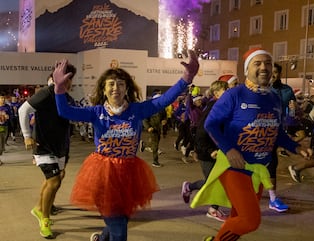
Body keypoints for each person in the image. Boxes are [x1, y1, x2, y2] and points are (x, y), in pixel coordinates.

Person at [52, 50, 199, 241]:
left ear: (126, 89)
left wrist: (186, 79)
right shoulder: (96, 112)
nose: (116, 88)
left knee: (121, 218)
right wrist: (59, 90)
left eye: (121, 84)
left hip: (130, 174)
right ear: (103, 89)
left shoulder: (137, 110)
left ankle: (102, 238)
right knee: (119, 228)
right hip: (103, 174)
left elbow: (164, 101)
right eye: (111, 84)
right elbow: (65, 112)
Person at [191, 48, 312, 241]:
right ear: (247, 70)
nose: (264, 67)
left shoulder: (274, 98)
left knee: (237, 218)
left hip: (257, 171)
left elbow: (276, 131)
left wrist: (296, 147)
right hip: (234, 167)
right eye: (258, 63)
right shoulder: (234, 95)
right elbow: (210, 124)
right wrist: (229, 150)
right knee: (250, 221)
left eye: (268, 63)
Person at [18, 67, 76, 239]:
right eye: (64, 78)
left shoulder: (67, 97)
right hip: (44, 146)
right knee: (53, 180)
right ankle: (45, 219)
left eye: (69, 78)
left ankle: (39, 207)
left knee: (56, 180)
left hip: (61, 146)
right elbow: (23, 110)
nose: (67, 81)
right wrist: (27, 136)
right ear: (54, 78)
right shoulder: (46, 93)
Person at [181, 80, 229, 222]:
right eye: (225, 90)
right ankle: (212, 209)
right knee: (214, 183)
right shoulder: (214, 107)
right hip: (207, 152)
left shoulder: (221, 106)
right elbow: (202, 132)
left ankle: (190, 187)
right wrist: (209, 151)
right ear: (216, 93)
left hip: (216, 151)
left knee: (218, 181)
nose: (229, 92)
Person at [266, 62, 296, 212]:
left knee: (272, 163)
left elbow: (292, 110)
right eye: (271, 72)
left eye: (275, 72)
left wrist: (292, 115)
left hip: (276, 129)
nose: (273, 75)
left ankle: (272, 198)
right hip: (255, 132)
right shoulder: (257, 89)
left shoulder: (287, 90)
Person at [141, 91, 167, 167]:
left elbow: (164, 116)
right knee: (155, 145)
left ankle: (145, 144)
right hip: (152, 128)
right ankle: (155, 161)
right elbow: (144, 119)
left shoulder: (162, 108)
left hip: (158, 128)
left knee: (155, 143)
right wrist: (148, 127)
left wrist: (164, 120)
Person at [0, 92, 11, 165]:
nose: (2, 99)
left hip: (5, 126)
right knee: (0, 142)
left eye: (3, 98)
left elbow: (10, 115)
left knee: (3, 141)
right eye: (1, 98)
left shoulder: (7, 106)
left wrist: (7, 116)